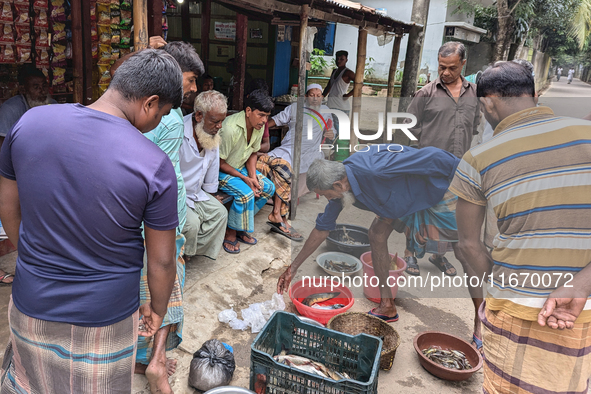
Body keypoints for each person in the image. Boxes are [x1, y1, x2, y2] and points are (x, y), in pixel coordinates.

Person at [0, 49, 181, 394]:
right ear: (150, 103)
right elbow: (161, 260)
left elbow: (8, 205)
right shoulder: (153, 164)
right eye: (164, 113)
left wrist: (34, 256)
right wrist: (158, 309)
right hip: (105, 318)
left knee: (31, 385)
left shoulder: (30, 123)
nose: (159, 122)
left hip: (31, 303)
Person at [450, 60, 591, 394]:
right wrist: (582, 284)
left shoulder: (478, 159)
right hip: (581, 311)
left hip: (516, 311)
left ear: (486, 103)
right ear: (535, 94)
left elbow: (468, 246)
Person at [277, 145, 460, 323]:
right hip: (395, 201)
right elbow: (322, 228)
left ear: (338, 184)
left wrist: (470, 176)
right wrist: (292, 269)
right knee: (376, 234)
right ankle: (387, 306)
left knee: (464, 247)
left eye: (326, 194)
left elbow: (433, 156)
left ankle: (481, 322)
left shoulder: (375, 170)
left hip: (435, 188)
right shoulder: (342, 179)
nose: (328, 199)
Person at [134, 41, 204, 394]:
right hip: (160, 219)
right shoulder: (169, 116)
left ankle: (143, 359)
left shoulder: (154, 113)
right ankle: (156, 362)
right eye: (191, 80)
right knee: (165, 288)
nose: (193, 88)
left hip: (155, 216)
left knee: (145, 288)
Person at [403, 41, 480, 280]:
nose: (446, 72)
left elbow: (474, 125)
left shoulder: (475, 93)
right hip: (427, 167)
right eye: (441, 67)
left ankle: (439, 255)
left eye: (452, 68)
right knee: (418, 210)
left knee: (450, 215)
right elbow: (407, 129)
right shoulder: (425, 94)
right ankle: (410, 253)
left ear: (463, 64)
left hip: (458, 169)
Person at [218, 89, 275, 253]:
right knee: (246, 194)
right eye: (261, 115)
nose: (264, 120)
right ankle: (231, 231)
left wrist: (252, 178)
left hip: (241, 167)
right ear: (248, 111)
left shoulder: (257, 126)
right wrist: (245, 178)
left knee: (267, 188)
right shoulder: (230, 128)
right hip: (221, 171)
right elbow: (219, 163)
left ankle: (242, 226)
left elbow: (252, 153)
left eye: (267, 116)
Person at [179, 90, 229, 260]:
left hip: (196, 193)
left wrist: (212, 194)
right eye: (216, 121)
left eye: (222, 121)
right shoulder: (178, 132)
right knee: (191, 223)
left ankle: (188, 250)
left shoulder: (212, 134)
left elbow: (213, 166)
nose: (220, 126)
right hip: (176, 195)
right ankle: (182, 255)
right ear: (199, 115)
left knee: (220, 214)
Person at [265, 83, 335, 198]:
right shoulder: (295, 107)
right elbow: (277, 119)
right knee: (268, 160)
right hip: (289, 146)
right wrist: (261, 126)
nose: (315, 98)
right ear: (306, 96)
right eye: (312, 95)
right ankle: (271, 191)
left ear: (322, 97)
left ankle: (284, 194)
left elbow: (332, 130)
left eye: (318, 95)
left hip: (311, 149)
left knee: (303, 163)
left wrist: (331, 133)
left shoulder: (326, 111)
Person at [0, 66, 57, 149]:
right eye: (36, 87)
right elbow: (3, 147)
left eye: (44, 86)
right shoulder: (10, 109)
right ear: (23, 89)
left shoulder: (53, 105)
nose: (42, 91)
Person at [323, 50, 355, 116]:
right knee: (330, 125)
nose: (338, 61)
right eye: (337, 59)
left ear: (346, 60)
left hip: (341, 106)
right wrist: (320, 97)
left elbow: (360, 85)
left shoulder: (348, 72)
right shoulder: (334, 71)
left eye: (341, 59)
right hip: (331, 104)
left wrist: (348, 95)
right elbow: (328, 86)